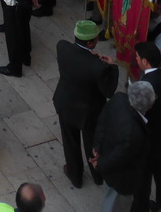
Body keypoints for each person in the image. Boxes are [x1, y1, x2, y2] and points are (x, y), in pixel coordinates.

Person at [51, 19, 118, 189]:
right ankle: (97, 175)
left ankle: (75, 176)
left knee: (70, 142)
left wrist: (91, 56)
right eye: (95, 39)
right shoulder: (97, 67)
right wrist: (112, 67)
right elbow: (108, 91)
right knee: (92, 144)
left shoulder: (62, 47)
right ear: (90, 42)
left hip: (65, 104)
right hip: (89, 112)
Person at [92, 81, 155, 212]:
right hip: (121, 180)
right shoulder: (133, 134)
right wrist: (99, 164)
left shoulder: (118, 98)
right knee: (115, 207)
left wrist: (97, 147)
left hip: (106, 160)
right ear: (148, 105)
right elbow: (117, 158)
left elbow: (102, 120)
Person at [133, 40, 161, 212]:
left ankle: (141, 207)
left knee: (143, 181)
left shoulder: (141, 87)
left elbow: (136, 117)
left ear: (145, 61)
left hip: (148, 144)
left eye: (137, 57)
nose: (135, 60)